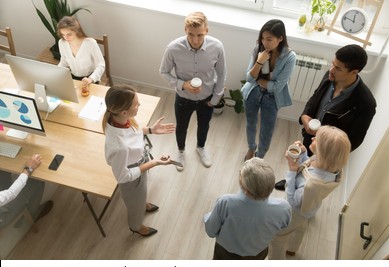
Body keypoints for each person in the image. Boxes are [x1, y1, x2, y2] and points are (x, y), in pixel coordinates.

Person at [275, 44, 376, 191]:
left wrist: (325, 141)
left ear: (354, 72)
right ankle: (292, 182)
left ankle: (301, 190)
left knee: (311, 185)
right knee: (303, 162)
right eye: (332, 64)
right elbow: (315, 98)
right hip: (311, 138)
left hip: (326, 153)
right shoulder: (330, 76)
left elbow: (354, 140)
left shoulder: (365, 103)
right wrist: (304, 116)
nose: (332, 70)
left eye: (338, 68)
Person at [102, 84, 176, 237]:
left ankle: (142, 203)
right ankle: (136, 226)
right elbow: (123, 177)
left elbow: (132, 132)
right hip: (131, 178)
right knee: (135, 204)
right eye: (136, 104)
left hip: (139, 164)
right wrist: (154, 162)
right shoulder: (119, 147)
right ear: (123, 111)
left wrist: (150, 130)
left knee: (141, 194)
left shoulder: (121, 119)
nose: (139, 105)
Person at [268, 125, 351, 259]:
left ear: (322, 152)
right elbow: (309, 164)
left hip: (295, 211)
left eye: (316, 139)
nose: (312, 138)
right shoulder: (330, 168)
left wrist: (292, 170)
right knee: (300, 228)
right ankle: (292, 248)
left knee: (277, 236)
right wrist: (303, 154)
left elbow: (293, 201)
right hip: (309, 208)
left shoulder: (311, 184)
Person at [159, 11, 227, 171]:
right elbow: (163, 72)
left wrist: (216, 99)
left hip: (207, 99)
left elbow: (222, 73)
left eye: (200, 35)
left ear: (207, 31)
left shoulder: (217, 47)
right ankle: (181, 151)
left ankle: (201, 148)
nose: (195, 40)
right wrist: (182, 84)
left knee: (204, 126)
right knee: (181, 127)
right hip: (183, 99)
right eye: (191, 34)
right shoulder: (173, 48)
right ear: (185, 30)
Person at [204, 157, 291, 260]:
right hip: (258, 254)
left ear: (243, 186)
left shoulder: (226, 202)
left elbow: (211, 231)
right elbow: (283, 227)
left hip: (225, 254)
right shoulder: (283, 208)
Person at [241, 19, 296, 160]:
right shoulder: (257, 49)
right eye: (263, 39)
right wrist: (260, 61)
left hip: (272, 98)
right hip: (253, 92)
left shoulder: (289, 57)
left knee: (267, 131)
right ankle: (251, 148)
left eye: (269, 39)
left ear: (280, 38)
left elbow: (277, 87)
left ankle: (259, 157)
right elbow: (248, 78)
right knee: (250, 123)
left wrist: (258, 79)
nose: (265, 43)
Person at [0, 154, 53, 229]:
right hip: (2, 214)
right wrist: (28, 169)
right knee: (35, 181)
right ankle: (32, 215)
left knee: (2, 170)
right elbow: (11, 194)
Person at [57, 16, 105, 86]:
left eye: (69, 34)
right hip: (73, 79)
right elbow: (64, 62)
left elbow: (101, 65)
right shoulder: (62, 43)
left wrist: (91, 79)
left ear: (76, 31)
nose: (66, 38)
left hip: (90, 79)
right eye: (63, 35)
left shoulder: (90, 43)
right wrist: (55, 72)